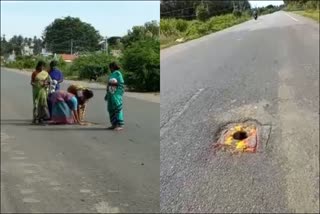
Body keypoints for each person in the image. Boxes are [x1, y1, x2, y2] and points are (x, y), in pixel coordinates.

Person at [104, 62, 125, 131]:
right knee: (111, 109)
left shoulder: (117, 74)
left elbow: (120, 85)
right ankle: (114, 124)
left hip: (116, 94)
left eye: (110, 68)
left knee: (117, 108)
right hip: (111, 94)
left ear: (112, 67)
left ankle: (119, 124)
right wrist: (107, 94)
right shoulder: (113, 74)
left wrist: (115, 93)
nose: (110, 69)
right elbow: (109, 85)